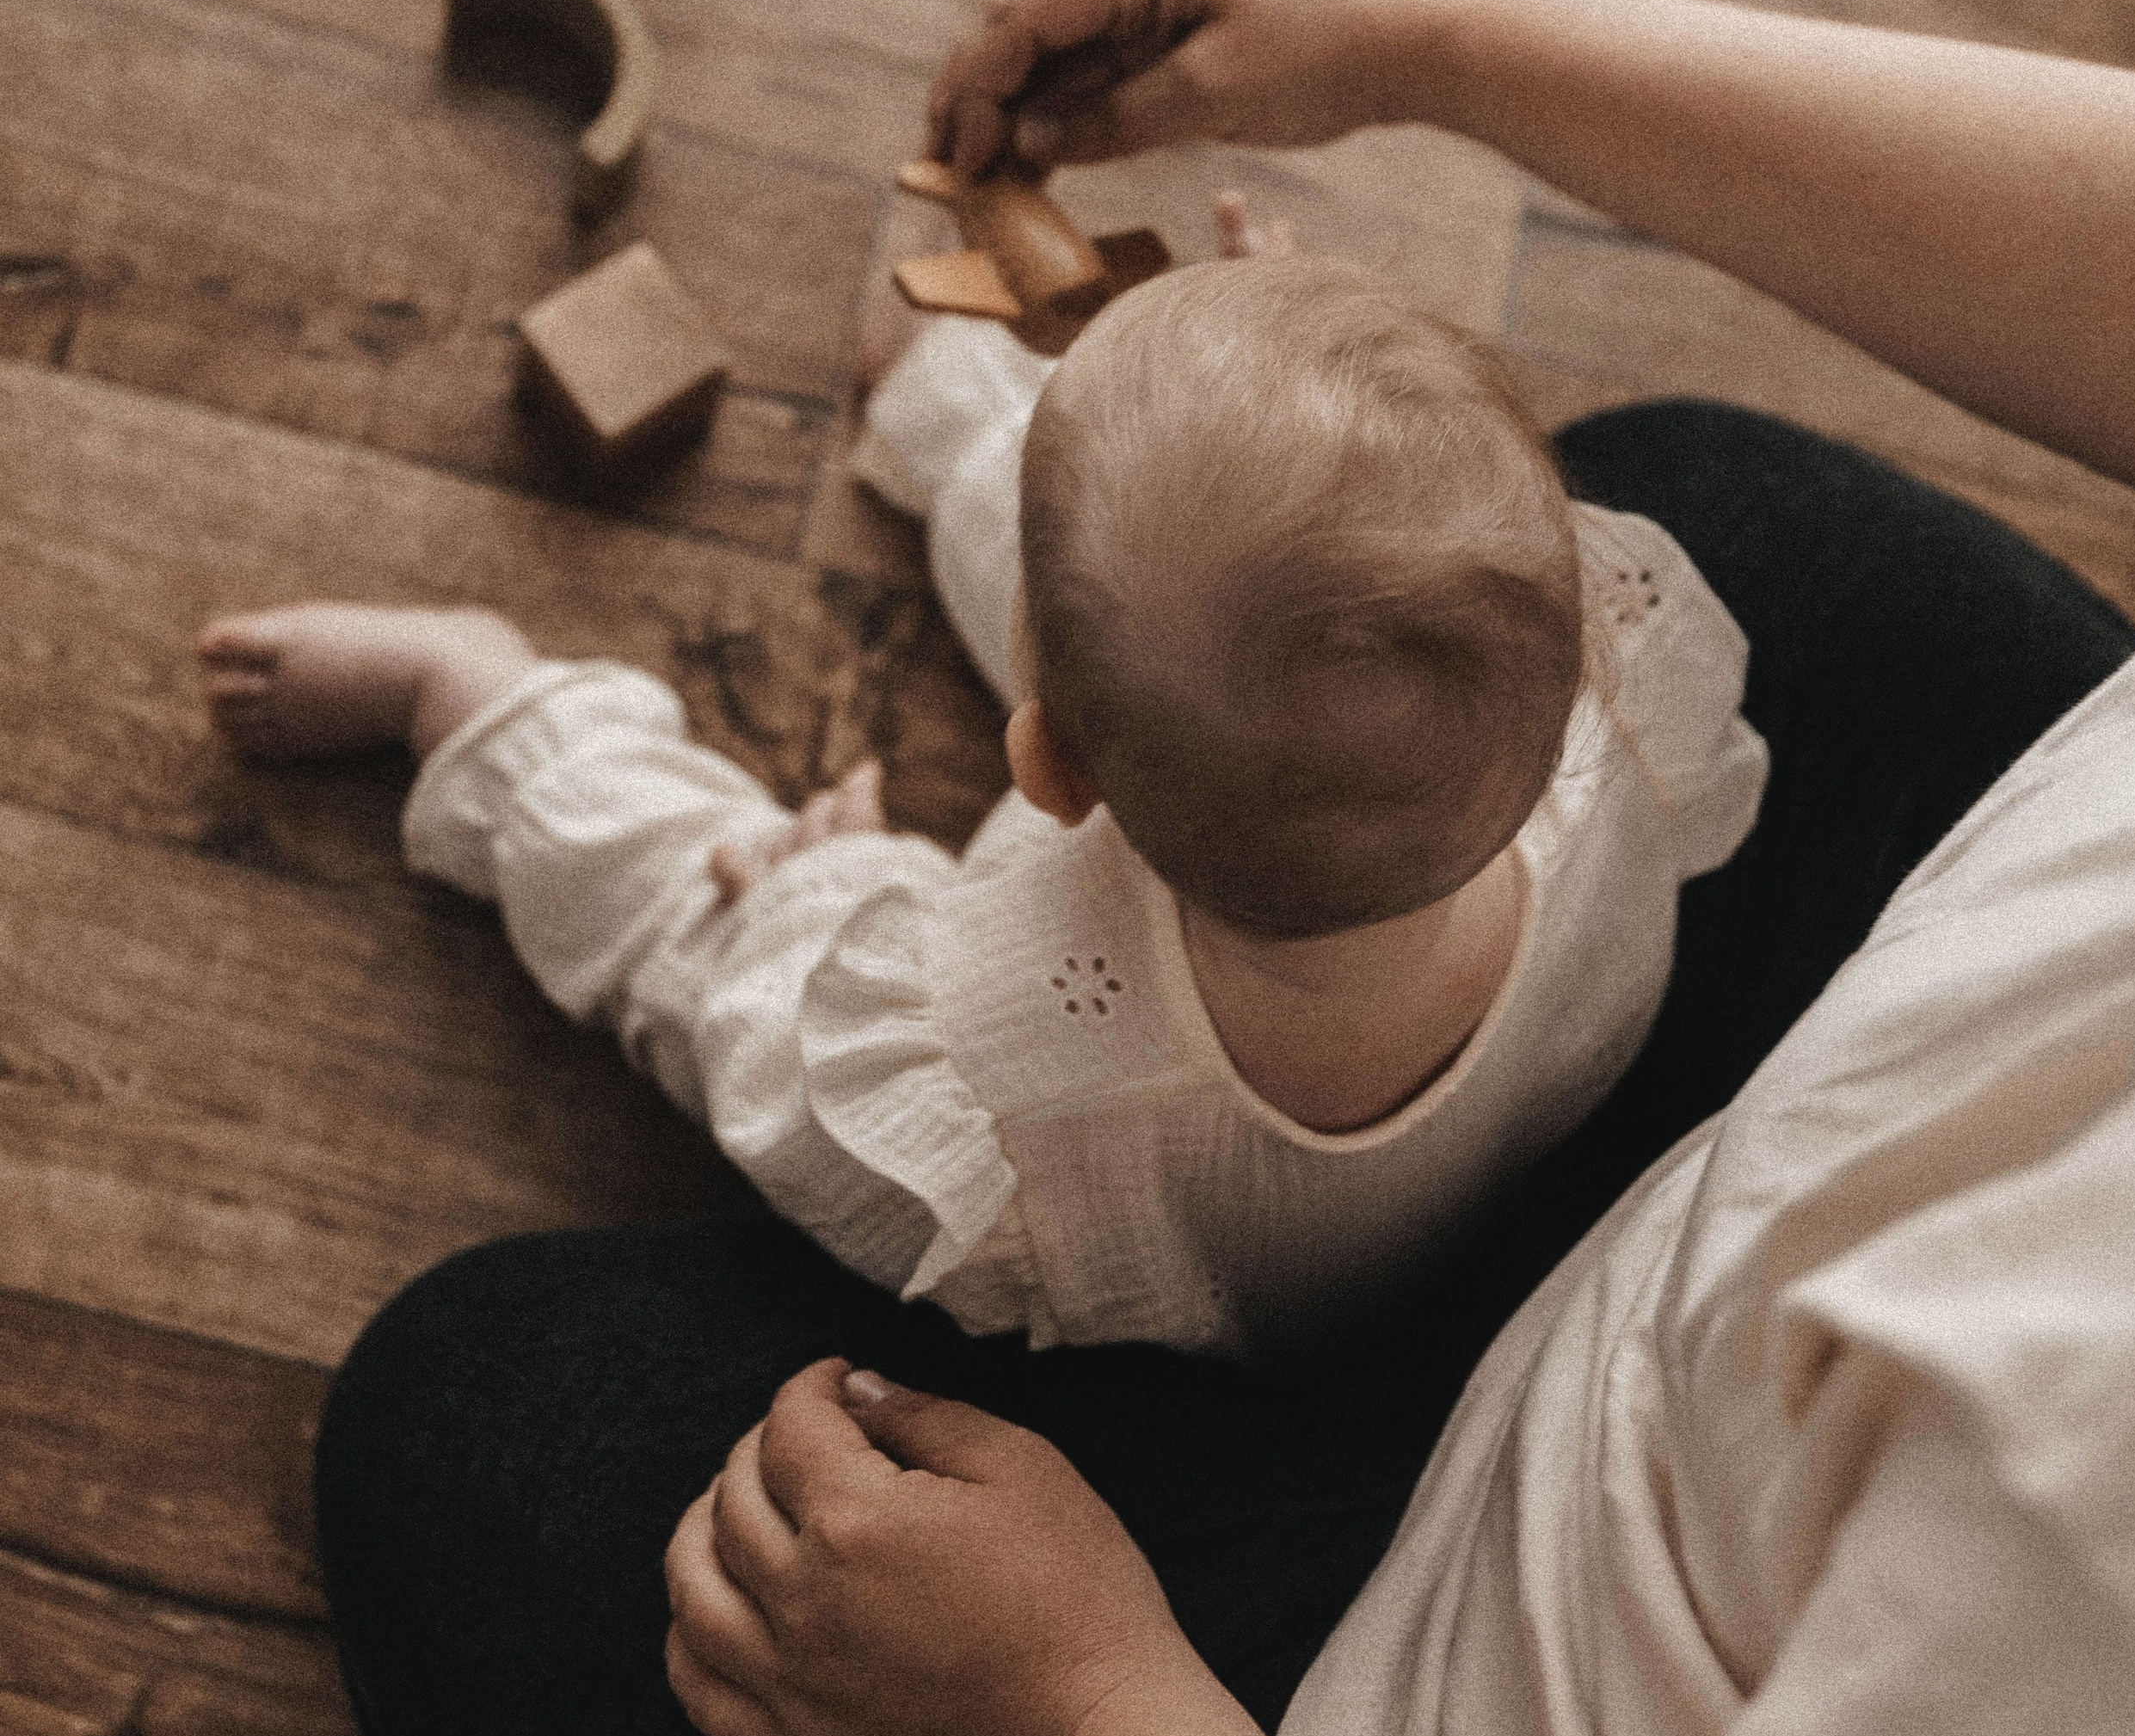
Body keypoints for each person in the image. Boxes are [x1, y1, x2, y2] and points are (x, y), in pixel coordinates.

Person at [314, 0, 2135, 1736]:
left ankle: (651, 632)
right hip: (1688, 1256)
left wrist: (555, 758)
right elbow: (1184, 675)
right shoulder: (1635, 723)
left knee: (469, 1447)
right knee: (1369, 568)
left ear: (1041, 770)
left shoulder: (986, 1075)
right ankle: (971, 444)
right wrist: (1416, 65)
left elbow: (737, 989)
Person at [201, 228, 1764, 1360]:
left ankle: (481, 708)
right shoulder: (1591, 715)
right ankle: (959, 410)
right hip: (1450, 1149)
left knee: (711, 932)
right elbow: (1331, 583)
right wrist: (1302, 396)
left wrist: (834, 892)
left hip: (1151, 1176)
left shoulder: (1003, 1075)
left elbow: (786, 1095)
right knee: (1211, 551)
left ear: (1050, 771)